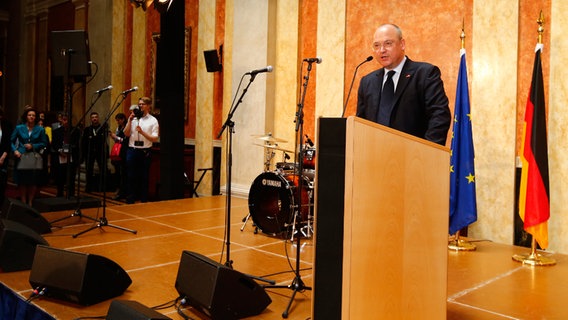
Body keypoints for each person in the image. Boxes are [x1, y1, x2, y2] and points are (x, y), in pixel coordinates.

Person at [356, 23, 451, 145]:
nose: (382, 50)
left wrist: (426, 153)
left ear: (402, 44)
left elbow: (439, 116)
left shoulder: (425, 74)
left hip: (415, 158)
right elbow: (361, 124)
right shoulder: (367, 82)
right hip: (375, 157)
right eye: (376, 45)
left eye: (388, 43)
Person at [123, 97, 159, 204]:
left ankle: (143, 198)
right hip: (132, 150)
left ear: (148, 106)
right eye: (139, 104)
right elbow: (126, 134)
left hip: (145, 151)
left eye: (143, 104)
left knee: (144, 176)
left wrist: (142, 132)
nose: (140, 106)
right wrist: (129, 121)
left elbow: (154, 138)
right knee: (130, 175)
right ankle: (131, 198)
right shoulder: (133, 118)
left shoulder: (153, 120)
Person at [10, 107, 49, 206]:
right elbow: (11, 141)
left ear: (36, 117)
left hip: (34, 156)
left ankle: (30, 201)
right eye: (29, 115)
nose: (31, 117)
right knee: (22, 180)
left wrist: (33, 146)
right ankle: (23, 201)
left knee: (33, 180)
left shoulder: (40, 129)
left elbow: (44, 143)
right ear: (26, 117)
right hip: (21, 156)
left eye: (33, 115)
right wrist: (15, 151)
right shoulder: (19, 128)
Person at [51, 113, 80, 197]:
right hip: (60, 156)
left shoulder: (75, 131)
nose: (66, 122)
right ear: (61, 120)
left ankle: (71, 194)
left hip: (71, 156)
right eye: (64, 120)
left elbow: (77, 144)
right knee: (60, 176)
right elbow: (54, 144)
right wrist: (60, 150)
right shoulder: (56, 131)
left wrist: (70, 149)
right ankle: (59, 193)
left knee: (71, 177)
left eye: (67, 120)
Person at [82, 112, 108, 192]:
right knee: (89, 169)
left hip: (100, 151)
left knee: (103, 169)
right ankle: (89, 187)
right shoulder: (87, 129)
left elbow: (104, 139)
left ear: (98, 118)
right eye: (93, 117)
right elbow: (84, 141)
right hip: (90, 152)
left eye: (96, 117)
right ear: (90, 119)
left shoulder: (102, 128)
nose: (94, 119)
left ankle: (103, 187)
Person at [109, 112, 128, 200]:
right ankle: (118, 190)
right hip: (119, 152)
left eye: (118, 120)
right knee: (117, 172)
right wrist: (113, 137)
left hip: (124, 151)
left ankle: (123, 191)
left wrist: (116, 137)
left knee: (123, 172)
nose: (118, 122)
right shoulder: (119, 127)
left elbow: (125, 140)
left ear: (123, 119)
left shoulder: (126, 128)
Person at [0, 107, 13, 206]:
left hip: (3, 157)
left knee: (2, 182)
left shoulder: (7, 125)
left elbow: (8, 142)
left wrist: (3, 156)